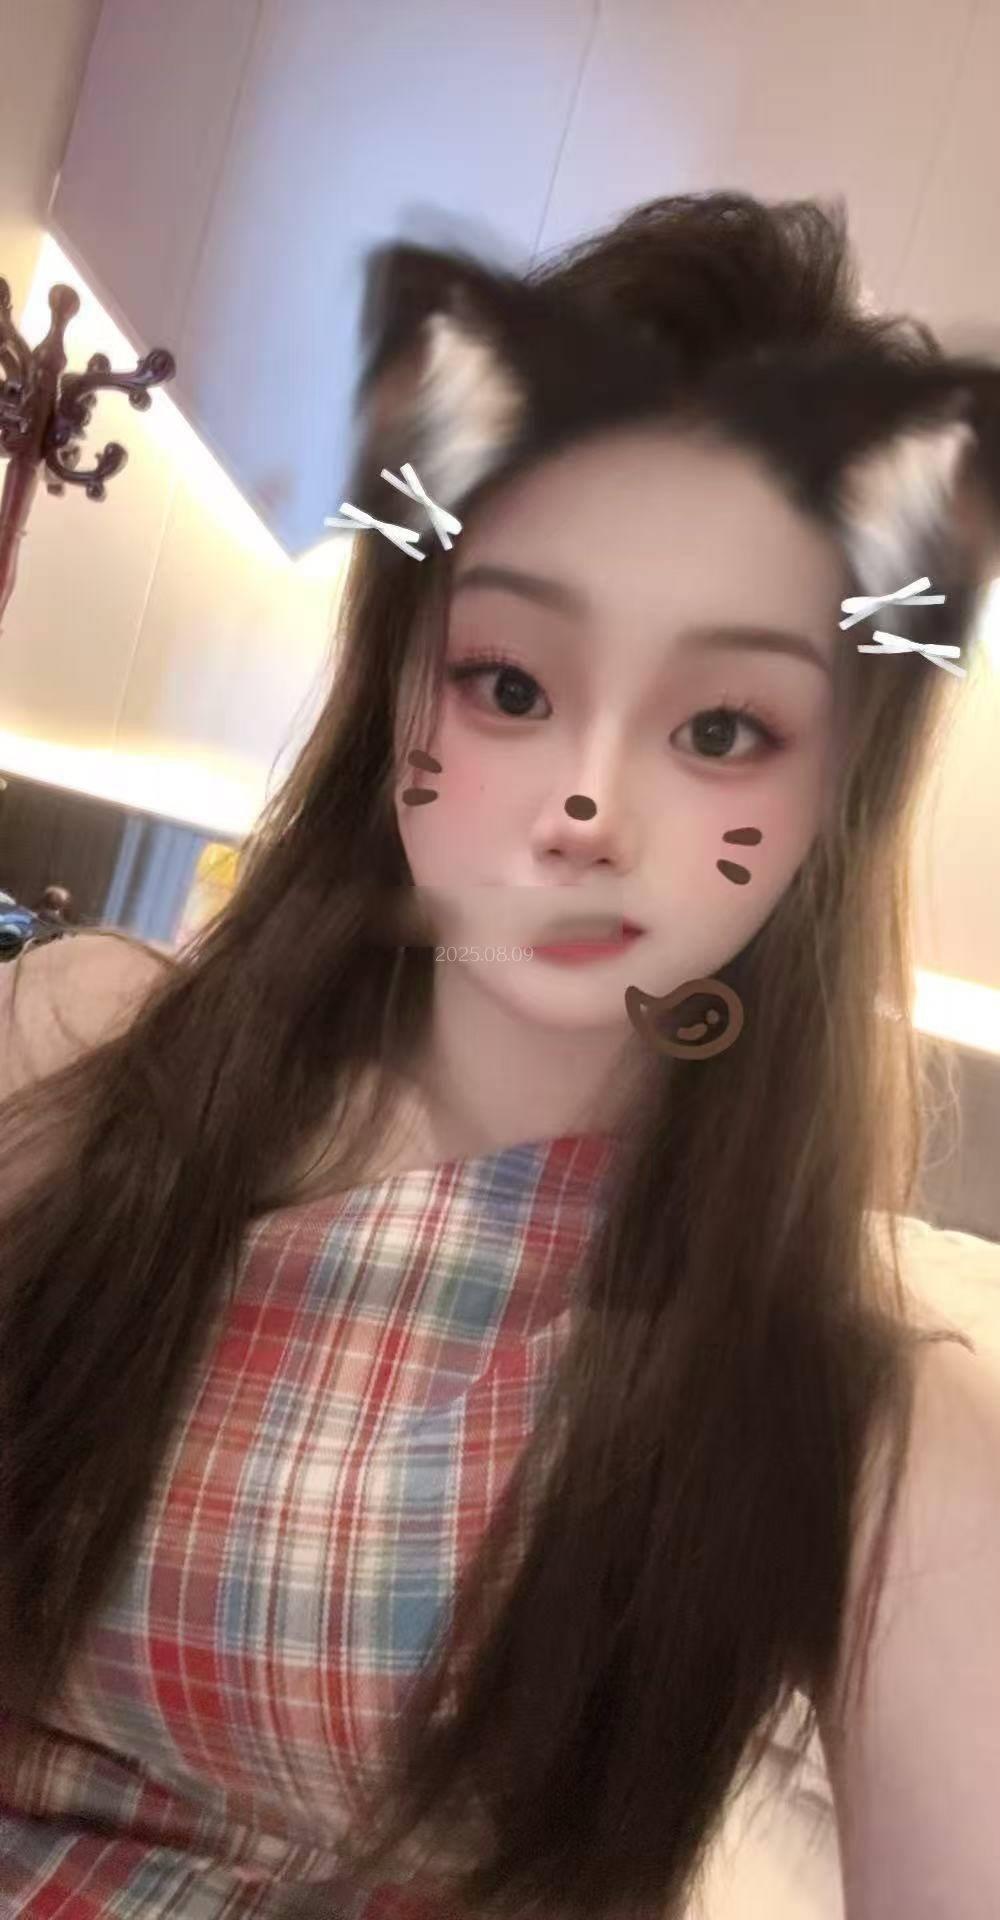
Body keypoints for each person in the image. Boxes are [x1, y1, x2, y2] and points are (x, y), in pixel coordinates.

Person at [2, 189, 1000, 1920]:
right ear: (404, 681)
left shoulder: (862, 1437)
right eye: (513, 687)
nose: (587, 808)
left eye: (722, 728)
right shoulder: (83, 1067)